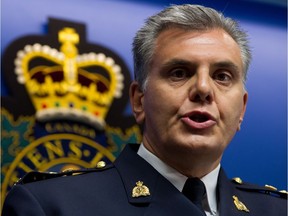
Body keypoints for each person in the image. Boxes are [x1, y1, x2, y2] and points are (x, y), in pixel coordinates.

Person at [2, 4, 287, 216]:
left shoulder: (276, 210)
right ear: (139, 100)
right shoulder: (52, 205)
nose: (203, 88)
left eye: (222, 76)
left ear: (242, 110)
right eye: (179, 72)